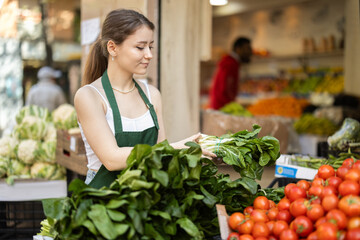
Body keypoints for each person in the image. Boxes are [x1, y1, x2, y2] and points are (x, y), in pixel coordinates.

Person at [74, 9, 215, 189]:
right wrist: (172, 149)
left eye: (151, 46)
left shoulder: (152, 95)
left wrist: (186, 156)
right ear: (112, 48)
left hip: (147, 196)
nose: (149, 54)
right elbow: (111, 158)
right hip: (103, 201)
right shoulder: (89, 96)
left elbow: (160, 159)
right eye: (140, 47)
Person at [209, 37, 252, 110]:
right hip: (223, 108)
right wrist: (232, 108)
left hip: (224, 107)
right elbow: (224, 89)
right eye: (247, 48)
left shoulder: (231, 62)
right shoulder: (230, 64)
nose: (250, 52)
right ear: (238, 49)